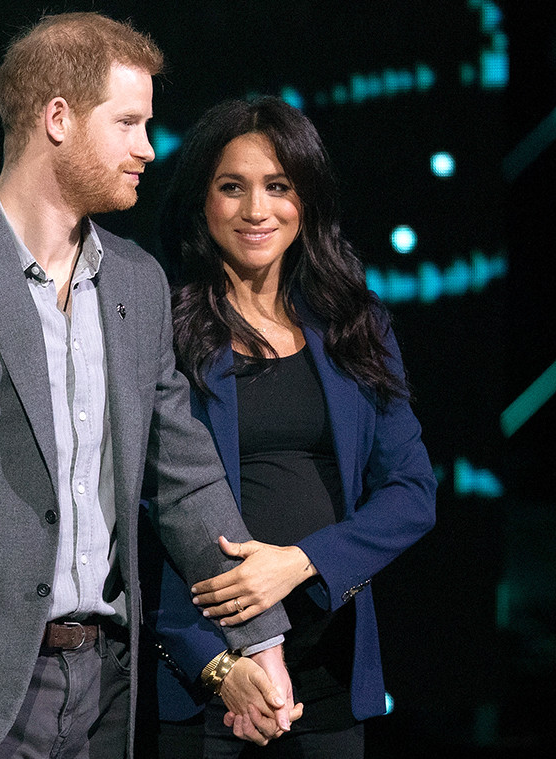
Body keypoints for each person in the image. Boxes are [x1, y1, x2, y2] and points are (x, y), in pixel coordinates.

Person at [0, 15, 301, 759]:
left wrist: (258, 634)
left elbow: (185, 478)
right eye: (129, 122)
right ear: (59, 119)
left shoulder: (136, 280)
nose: (147, 148)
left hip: (104, 684)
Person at [138, 97, 437, 759]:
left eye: (279, 187)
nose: (257, 211)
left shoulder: (354, 322)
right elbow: (142, 515)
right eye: (232, 187)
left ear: (308, 200)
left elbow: (412, 493)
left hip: (330, 672)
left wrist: (297, 563)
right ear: (200, 200)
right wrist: (217, 666)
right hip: (209, 678)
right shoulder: (160, 330)